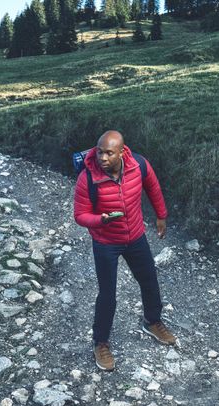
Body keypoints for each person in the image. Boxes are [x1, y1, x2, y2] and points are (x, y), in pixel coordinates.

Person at [73, 130, 178, 371]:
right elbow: (80, 215)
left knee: (149, 280)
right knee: (107, 294)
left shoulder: (138, 164)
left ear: (122, 152)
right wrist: (101, 220)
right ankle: (100, 343)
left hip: (136, 237)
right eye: (99, 152)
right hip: (105, 242)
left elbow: (153, 187)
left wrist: (161, 216)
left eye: (109, 153)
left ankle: (152, 322)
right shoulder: (87, 178)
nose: (102, 158)